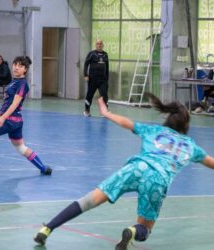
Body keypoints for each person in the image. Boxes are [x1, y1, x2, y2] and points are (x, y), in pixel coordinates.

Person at [34, 93, 214, 249]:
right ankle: (133, 230)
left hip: (135, 168)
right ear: (185, 125)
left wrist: (106, 113)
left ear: (168, 119)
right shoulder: (190, 146)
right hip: (158, 179)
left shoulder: (154, 130)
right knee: (146, 228)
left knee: (90, 200)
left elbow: (127, 123)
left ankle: (48, 227)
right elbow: (211, 162)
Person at [0, 56, 52, 176]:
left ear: (25, 70)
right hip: (15, 121)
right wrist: (0, 112)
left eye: (20, 66)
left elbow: (15, 103)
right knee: (20, 147)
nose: (17, 67)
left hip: (10, 120)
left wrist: (3, 117)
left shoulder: (22, 84)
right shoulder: (14, 81)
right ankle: (43, 168)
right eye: (15, 64)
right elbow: (8, 100)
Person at [83, 39, 109, 117]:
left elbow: (107, 67)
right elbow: (86, 64)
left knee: (104, 95)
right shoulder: (91, 54)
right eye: (98, 44)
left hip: (103, 80)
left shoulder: (105, 54)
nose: (99, 45)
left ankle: (105, 112)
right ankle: (87, 110)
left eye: (101, 44)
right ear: (95, 45)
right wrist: (85, 75)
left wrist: (107, 78)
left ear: (103, 45)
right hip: (92, 79)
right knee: (89, 95)